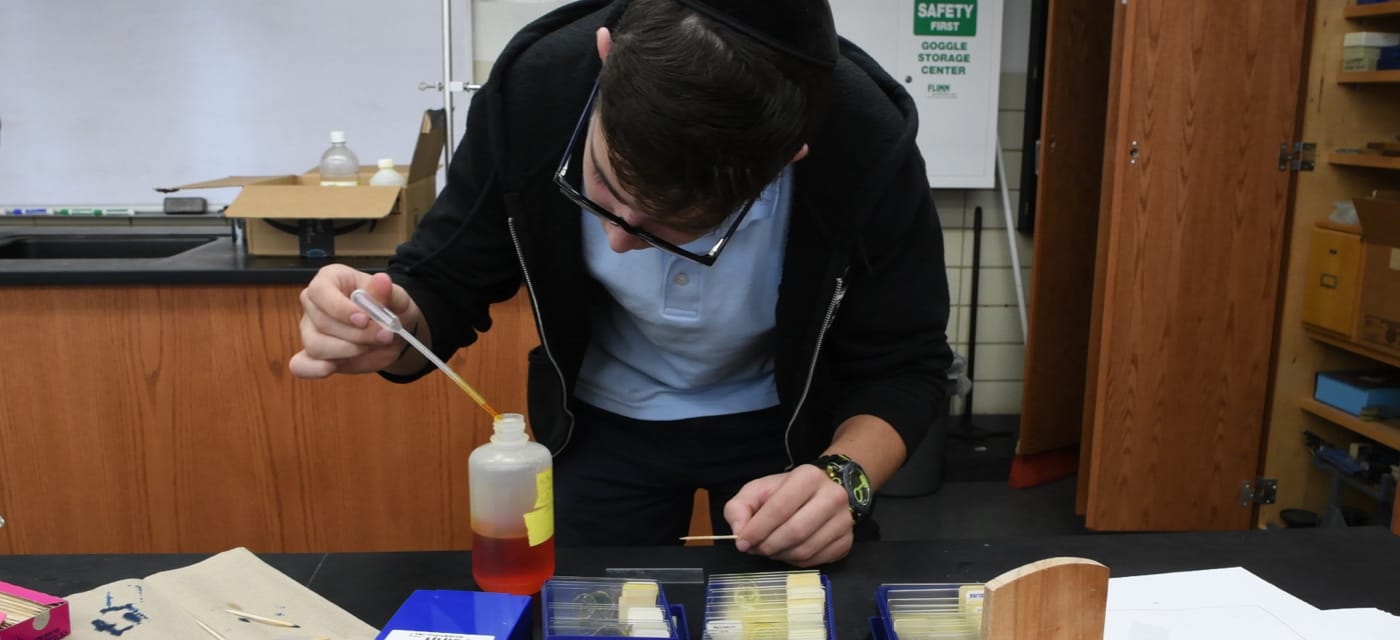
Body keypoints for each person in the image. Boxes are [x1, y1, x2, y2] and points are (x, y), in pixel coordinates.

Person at [290, 0, 952, 568]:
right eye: (601, 186)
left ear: (785, 160)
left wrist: (844, 479)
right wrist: (395, 327)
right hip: (599, 423)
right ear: (607, 60)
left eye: (676, 226)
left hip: (788, 430)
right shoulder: (538, 90)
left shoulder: (863, 141)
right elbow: (444, 281)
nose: (617, 240)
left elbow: (905, 364)